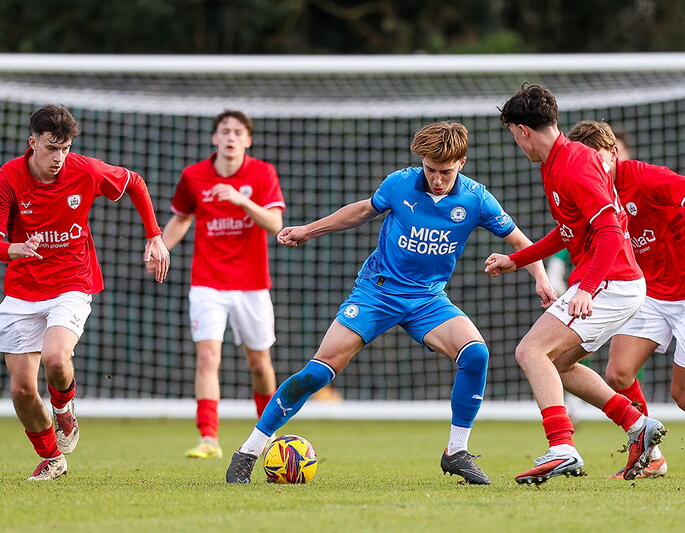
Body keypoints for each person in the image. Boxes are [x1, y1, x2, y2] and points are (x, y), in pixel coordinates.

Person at [225, 121, 552, 484]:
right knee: (318, 371)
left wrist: (541, 279)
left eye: (445, 171)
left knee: (475, 353)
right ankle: (248, 451)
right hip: (376, 292)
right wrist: (307, 230)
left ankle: (456, 451)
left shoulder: (476, 198)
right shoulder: (400, 183)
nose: (437, 179)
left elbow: (522, 242)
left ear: (462, 162)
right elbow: (363, 211)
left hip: (428, 299)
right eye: (430, 170)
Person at [0, 104, 170, 481]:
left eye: (64, 148)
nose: (58, 158)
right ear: (32, 143)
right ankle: (52, 458)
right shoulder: (9, 178)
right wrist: (12, 249)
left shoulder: (84, 169)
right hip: (22, 289)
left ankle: (64, 408)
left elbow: (135, 183)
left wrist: (154, 236)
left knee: (55, 357)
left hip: (72, 282)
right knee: (21, 391)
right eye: (51, 148)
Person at [484, 84, 666, 484]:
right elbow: (569, 231)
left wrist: (586, 288)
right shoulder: (556, 162)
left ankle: (562, 447)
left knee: (531, 351)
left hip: (610, 281)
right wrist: (517, 259)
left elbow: (609, 232)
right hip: (612, 281)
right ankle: (638, 425)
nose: (516, 143)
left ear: (522, 130)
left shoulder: (574, 165)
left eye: (513, 135)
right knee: (560, 364)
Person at [567, 120, 685, 477]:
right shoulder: (591, 191)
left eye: (597, 158)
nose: (591, 167)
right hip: (650, 292)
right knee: (618, 373)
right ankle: (650, 454)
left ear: (613, 154)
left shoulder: (645, 178)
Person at [152, 110, 286, 460]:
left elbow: (274, 223)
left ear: (248, 140)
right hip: (208, 282)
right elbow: (181, 218)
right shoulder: (194, 176)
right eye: (224, 131)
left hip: (252, 284)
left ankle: (267, 433)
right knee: (208, 357)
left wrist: (241, 200)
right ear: (214, 138)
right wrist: (160, 247)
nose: (230, 137)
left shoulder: (262, 173)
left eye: (238, 132)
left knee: (259, 364)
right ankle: (209, 437)